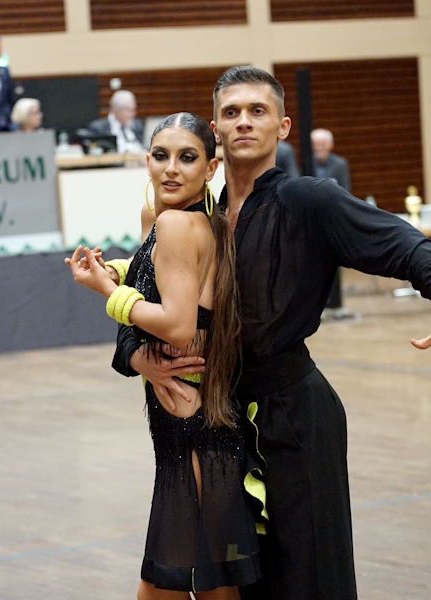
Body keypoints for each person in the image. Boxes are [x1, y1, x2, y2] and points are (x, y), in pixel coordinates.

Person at [113, 66, 431, 600]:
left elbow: (406, 245)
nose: (243, 121)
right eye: (231, 112)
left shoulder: (310, 200)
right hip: (224, 425)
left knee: (310, 581)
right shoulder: (199, 212)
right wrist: (135, 356)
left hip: (296, 421)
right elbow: (146, 293)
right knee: (246, 585)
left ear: (282, 127)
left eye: (257, 111)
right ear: (216, 129)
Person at [66, 112, 261, 599]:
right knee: (198, 588)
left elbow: (176, 323)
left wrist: (107, 292)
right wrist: (117, 275)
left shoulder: (175, 223)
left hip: (196, 432)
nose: (171, 168)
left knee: (177, 589)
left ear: (210, 169)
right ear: (147, 161)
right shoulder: (163, 217)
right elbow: (159, 278)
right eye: (161, 155)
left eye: (187, 157)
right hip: (185, 430)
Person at [311, 128, 351, 313]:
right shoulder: (306, 162)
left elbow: (345, 191)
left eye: (321, 143)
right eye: (315, 144)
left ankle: (335, 301)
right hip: (312, 219)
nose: (318, 147)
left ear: (330, 145)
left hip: (333, 219)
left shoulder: (340, 164)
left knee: (334, 258)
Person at [88, 89, 145, 154]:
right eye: (129, 110)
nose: (133, 114)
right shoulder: (98, 129)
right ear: (116, 111)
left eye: (134, 109)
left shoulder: (137, 125)